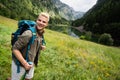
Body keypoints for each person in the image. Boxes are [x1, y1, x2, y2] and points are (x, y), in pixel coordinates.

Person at [9, 12, 50, 80]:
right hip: (19, 64)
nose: (41, 23)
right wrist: (24, 63)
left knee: (28, 78)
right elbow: (14, 49)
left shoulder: (40, 32)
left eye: (44, 22)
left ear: (47, 24)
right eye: (39, 20)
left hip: (31, 63)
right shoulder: (28, 34)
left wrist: (41, 46)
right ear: (36, 20)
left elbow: (34, 43)